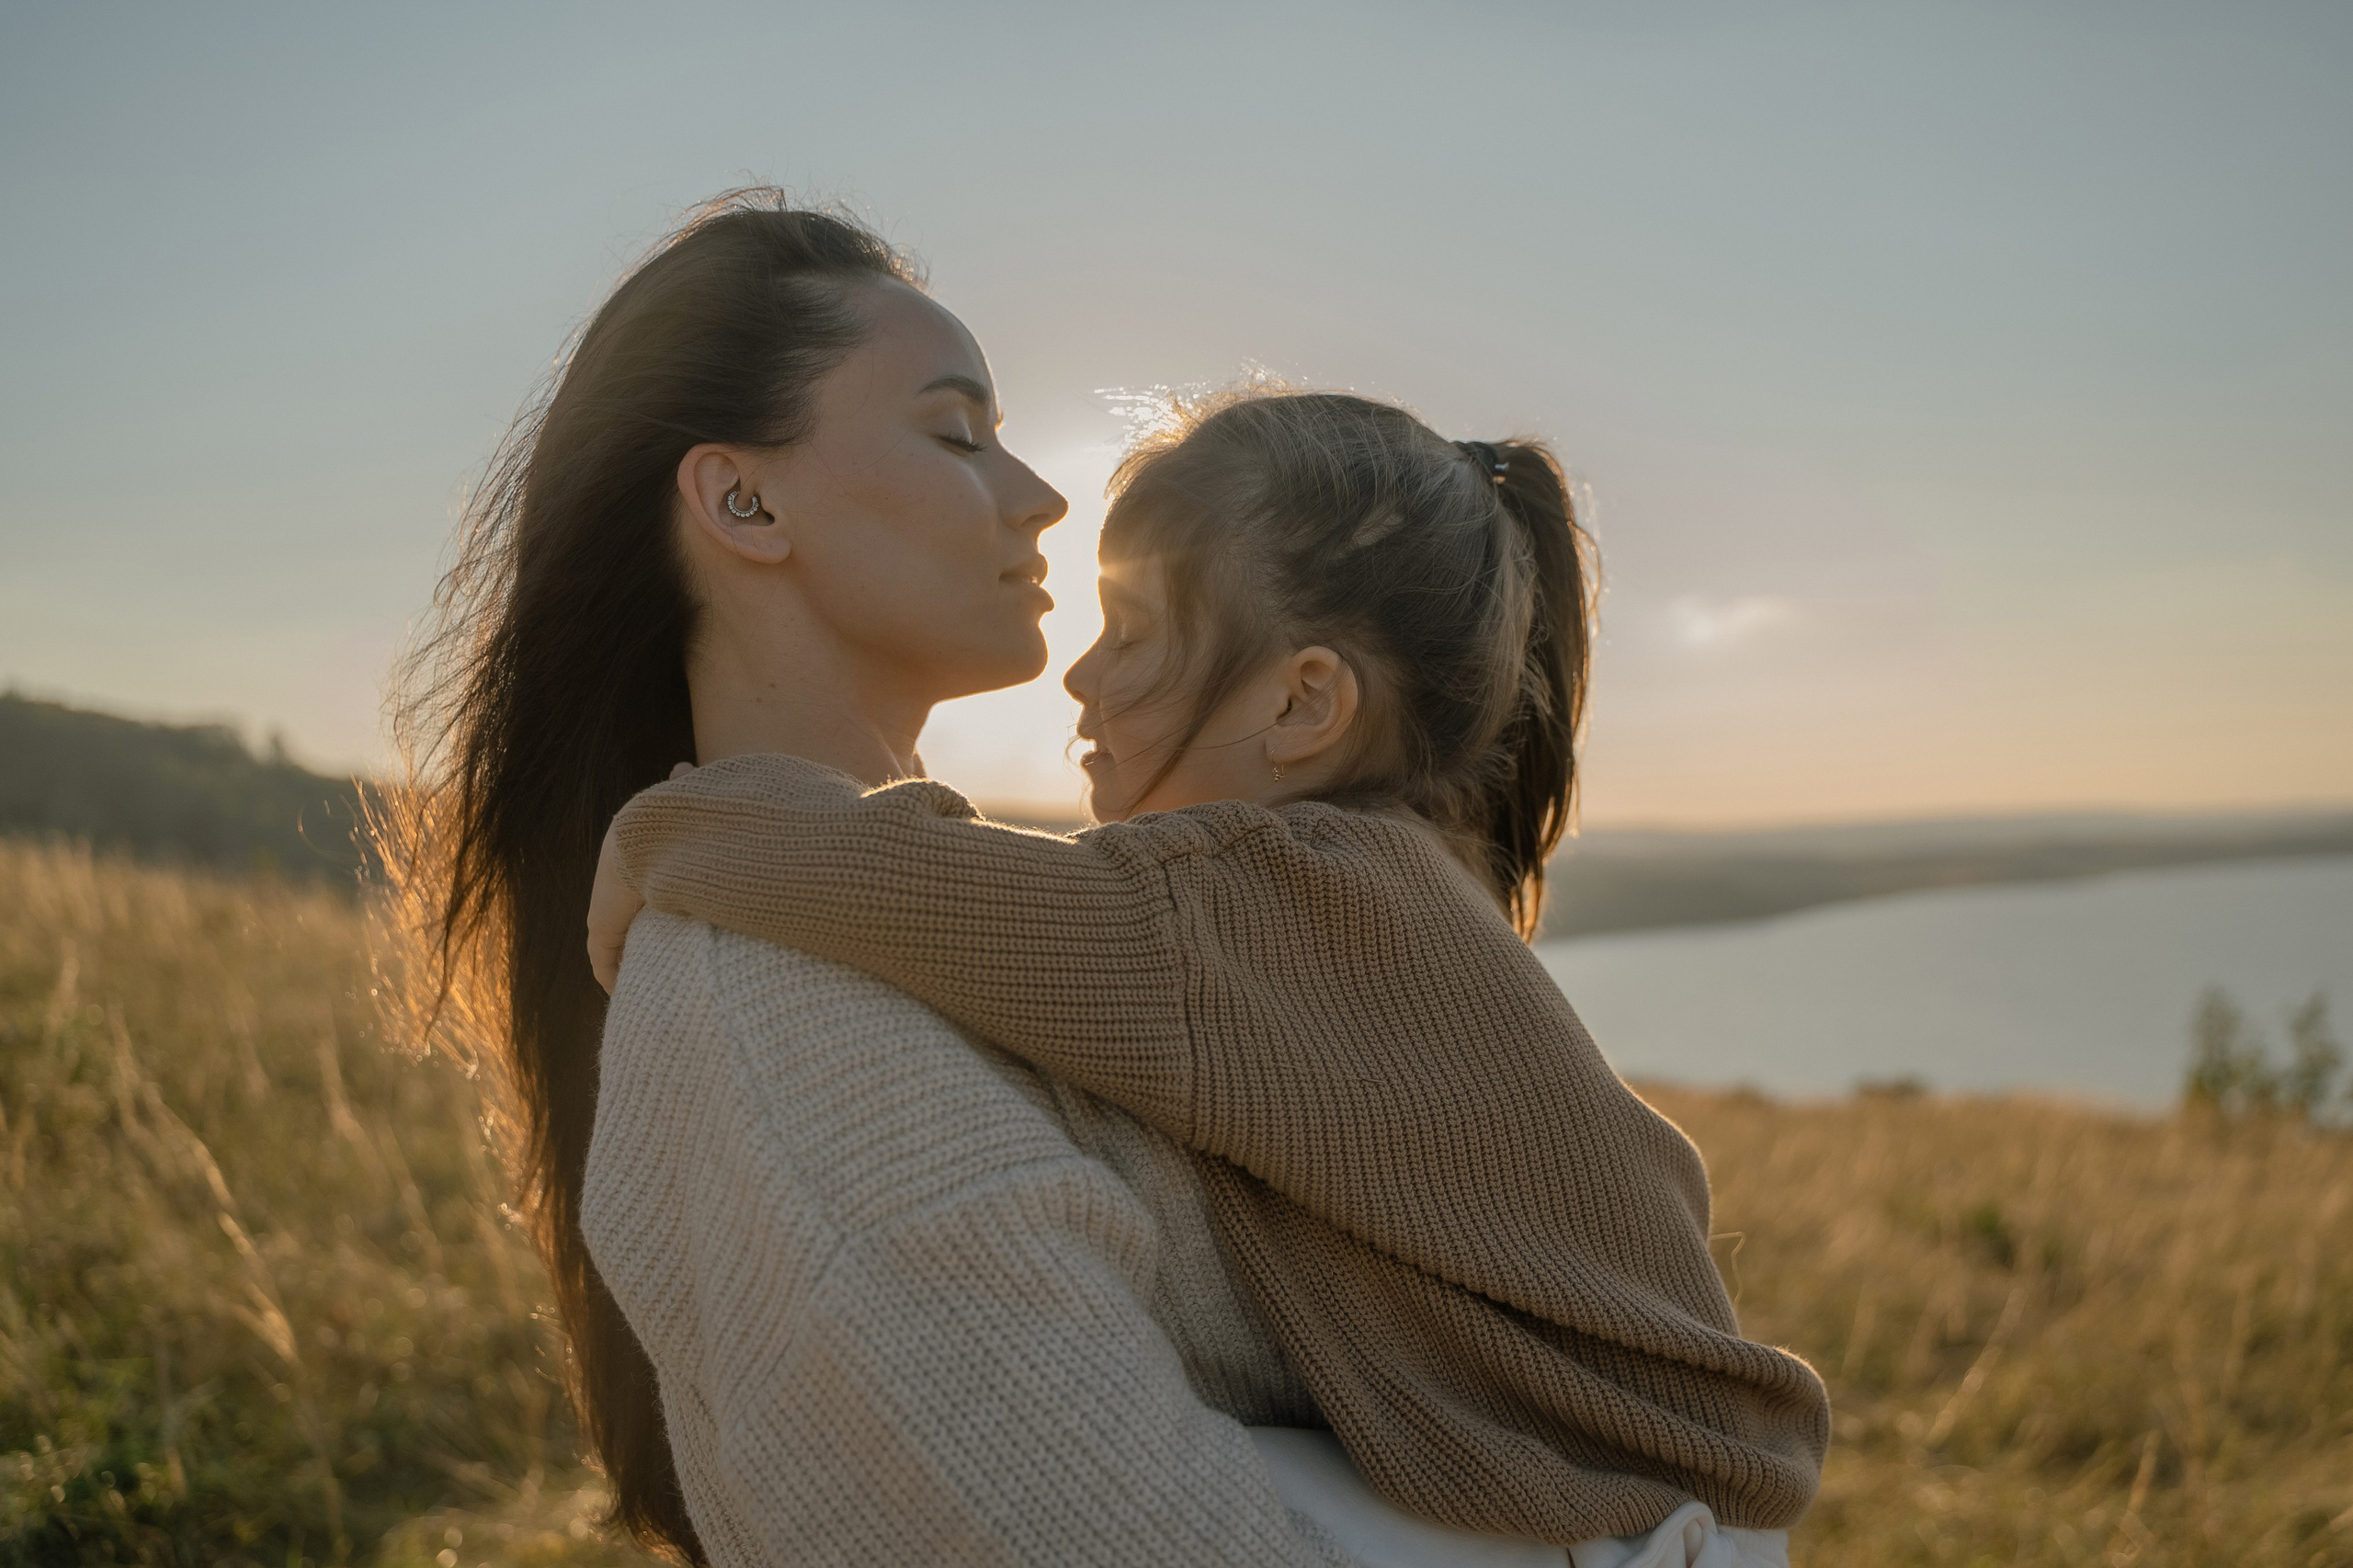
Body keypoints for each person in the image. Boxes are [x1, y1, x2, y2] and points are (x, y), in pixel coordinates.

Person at [588, 391, 1832, 1557]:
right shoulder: (1385, 893)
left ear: (1303, 705)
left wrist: (671, 827)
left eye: (1131, 634)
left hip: (1602, 1526)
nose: (1079, 680)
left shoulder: (1271, 887)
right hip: (1664, 1510)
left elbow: (913, 884)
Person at [377, 189, 1373, 1566]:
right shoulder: (792, 1021)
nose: (1041, 493)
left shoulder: (937, 933)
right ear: (744, 496)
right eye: (957, 432)